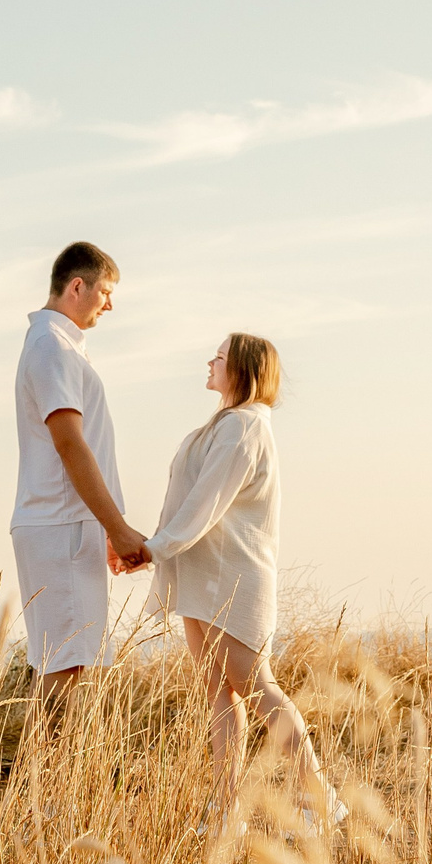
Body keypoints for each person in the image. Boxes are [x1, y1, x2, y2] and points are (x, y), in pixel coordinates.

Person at [143, 332, 338, 831]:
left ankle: (320, 799)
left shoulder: (245, 428)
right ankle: (226, 806)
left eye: (221, 357)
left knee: (257, 688)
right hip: (203, 573)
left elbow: (205, 502)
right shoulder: (224, 425)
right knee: (217, 690)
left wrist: (151, 548)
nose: (210, 361)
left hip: (233, 577)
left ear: (243, 370)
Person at [12, 242, 151, 732]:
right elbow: (70, 445)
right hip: (61, 525)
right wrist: (119, 527)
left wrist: (107, 533)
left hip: (68, 525)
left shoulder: (59, 345)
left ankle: (45, 803)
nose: (109, 305)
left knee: (69, 669)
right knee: (64, 672)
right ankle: (41, 807)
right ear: (77, 286)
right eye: (104, 292)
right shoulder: (52, 346)